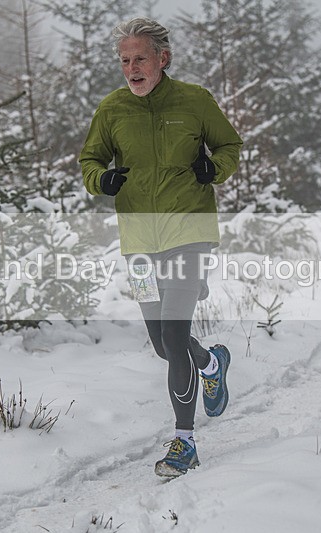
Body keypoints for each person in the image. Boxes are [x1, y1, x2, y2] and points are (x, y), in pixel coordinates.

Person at [79, 17, 243, 478]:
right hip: (139, 243)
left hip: (188, 232)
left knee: (173, 335)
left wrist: (216, 169)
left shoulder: (195, 102)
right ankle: (211, 363)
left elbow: (229, 144)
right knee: (162, 345)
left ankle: (184, 442)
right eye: (125, 60)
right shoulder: (112, 110)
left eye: (140, 59)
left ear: (162, 59)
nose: (131, 68)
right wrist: (101, 179)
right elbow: (90, 159)